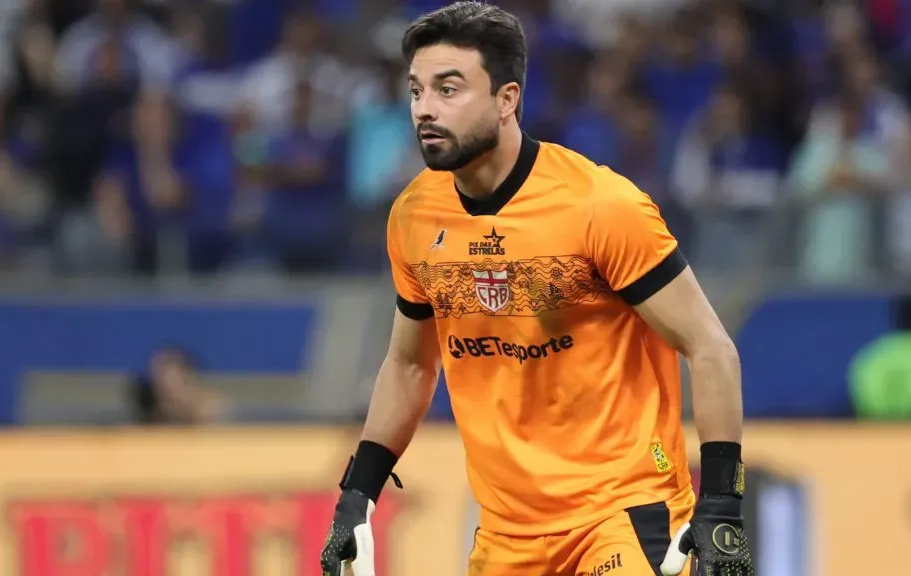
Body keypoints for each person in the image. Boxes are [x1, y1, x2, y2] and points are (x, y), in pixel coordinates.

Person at [319, 3, 750, 576]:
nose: (425, 109)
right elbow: (410, 367)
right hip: (507, 534)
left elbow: (711, 347)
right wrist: (357, 497)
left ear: (507, 99)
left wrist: (721, 504)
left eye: (450, 89)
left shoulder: (601, 206)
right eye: (417, 90)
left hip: (621, 511)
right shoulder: (414, 217)